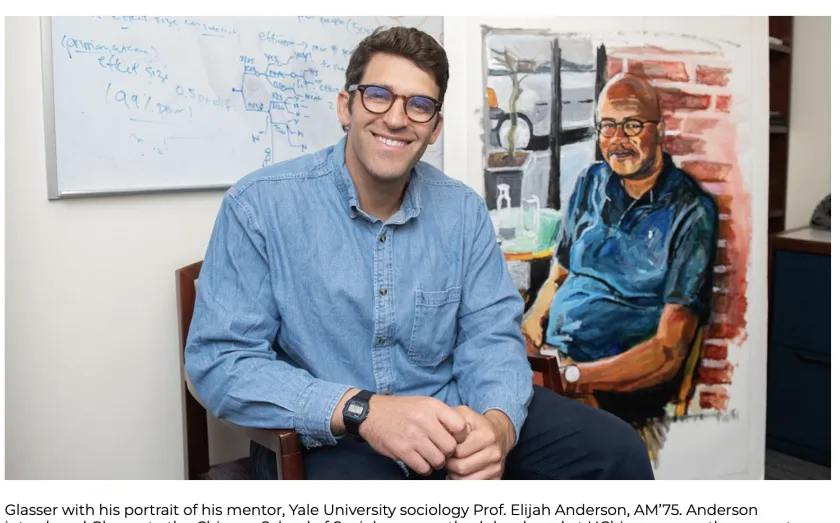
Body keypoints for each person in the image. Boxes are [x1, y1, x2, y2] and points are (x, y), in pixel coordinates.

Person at [185, 27, 653, 480]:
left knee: (615, 450)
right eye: (378, 95)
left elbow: (490, 338)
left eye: (419, 105)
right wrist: (361, 410)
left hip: (451, 416)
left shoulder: (462, 210)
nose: (395, 118)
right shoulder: (260, 206)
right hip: (333, 439)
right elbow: (222, 362)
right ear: (345, 106)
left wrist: (497, 426)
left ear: (435, 128)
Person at [521, 73, 719, 444]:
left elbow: (668, 350)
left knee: (540, 448)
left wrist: (575, 377)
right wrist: (530, 329)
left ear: (659, 130)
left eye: (631, 125)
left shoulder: (691, 211)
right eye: (608, 127)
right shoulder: (589, 182)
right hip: (557, 364)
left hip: (618, 385)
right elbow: (559, 277)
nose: (618, 140)